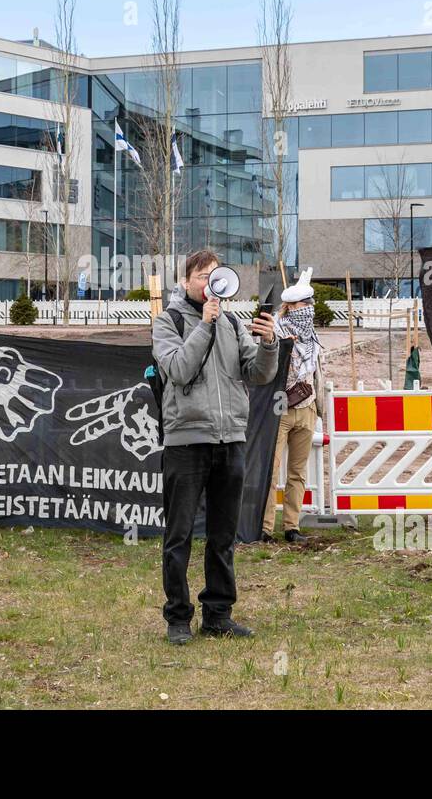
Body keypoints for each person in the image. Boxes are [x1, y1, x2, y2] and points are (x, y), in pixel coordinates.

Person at [152, 249, 278, 645]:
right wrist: (204, 326)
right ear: (186, 280)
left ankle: (218, 614)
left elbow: (257, 373)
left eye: (215, 275)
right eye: (203, 276)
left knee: (223, 535)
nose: (210, 283)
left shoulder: (232, 323)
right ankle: (177, 617)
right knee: (180, 535)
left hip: (230, 440)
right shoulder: (167, 321)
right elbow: (177, 369)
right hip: (186, 442)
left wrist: (270, 343)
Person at [262, 269, 325, 545]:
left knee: (297, 472)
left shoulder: (312, 336)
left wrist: (318, 407)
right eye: (303, 305)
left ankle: (291, 526)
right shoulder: (275, 330)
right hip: (279, 409)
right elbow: (264, 365)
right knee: (270, 470)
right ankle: (264, 528)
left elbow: (317, 371)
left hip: (307, 406)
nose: (308, 310)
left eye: (310, 304)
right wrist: (281, 346)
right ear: (290, 306)